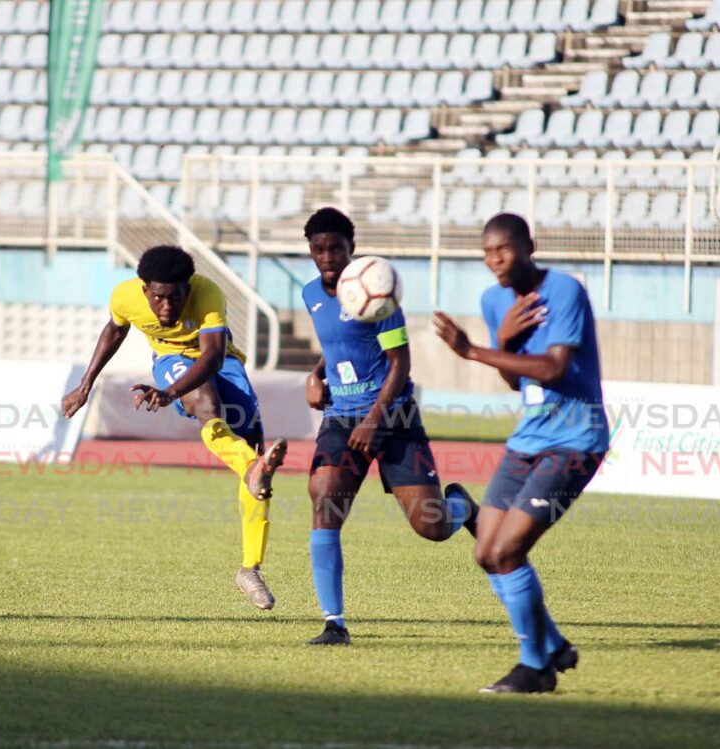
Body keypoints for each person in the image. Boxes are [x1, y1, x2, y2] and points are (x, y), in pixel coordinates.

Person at [433, 213, 609, 693]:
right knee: (485, 553)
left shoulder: (565, 291)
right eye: (488, 253)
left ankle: (536, 667)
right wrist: (503, 340)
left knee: (507, 550)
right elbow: (515, 380)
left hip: (576, 441)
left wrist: (473, 351)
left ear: (530, 246)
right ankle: (551, 644)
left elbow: (553, 368)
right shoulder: (493, 301)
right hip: (527, 440)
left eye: (504, 250)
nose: (495, 261)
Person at [61, 245, 288, 610]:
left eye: (176, 297)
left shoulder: (209, 293)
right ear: (144, 290)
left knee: (254, 457)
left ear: (189, 288)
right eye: (158, 298)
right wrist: (85, 385)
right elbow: (114, 331)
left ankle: (250, 568)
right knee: (205, 403)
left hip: (222, 362)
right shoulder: (124, 296)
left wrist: (168, 393)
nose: (166, 307)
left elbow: (213, 356)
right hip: (172, 361)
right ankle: (252, 467)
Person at [301, 207, 479, 646]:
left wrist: (375, 419)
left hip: (393, 415)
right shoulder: (311, 294)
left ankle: (464, 507)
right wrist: (315, 374)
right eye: (319, 249)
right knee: (325, 498)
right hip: (341, 415)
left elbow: (400, 362)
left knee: (431, 526)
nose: (328, 257)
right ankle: (334, 623)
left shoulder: (378, 292)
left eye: (336, 248)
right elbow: (338, 342)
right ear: (310, 251)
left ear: (352, 249)